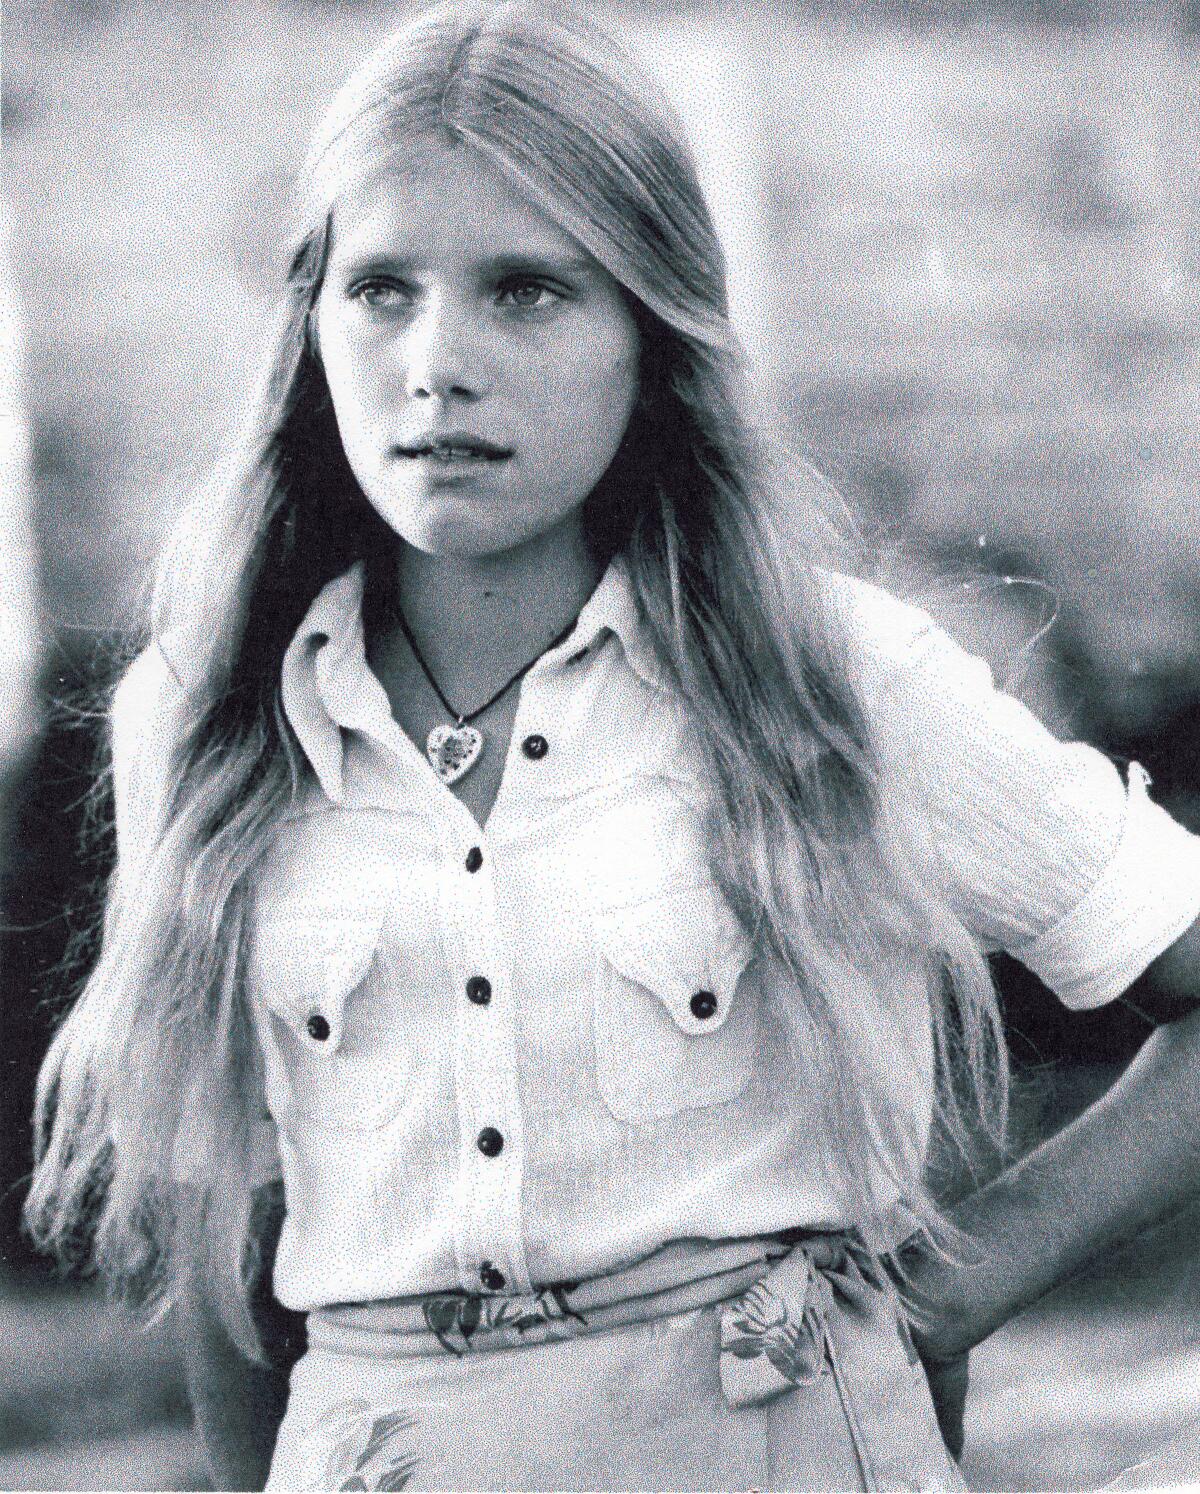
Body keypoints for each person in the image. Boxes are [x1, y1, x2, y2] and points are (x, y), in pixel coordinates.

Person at [24, 2, 1200, 1489]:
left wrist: (960, 1283)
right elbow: (222, 1244)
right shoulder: (202, 719)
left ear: (652, 330)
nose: (438, 363)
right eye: (382, 288)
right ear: (310, 322)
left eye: (527, 291)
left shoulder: (829, 677)